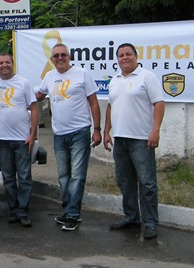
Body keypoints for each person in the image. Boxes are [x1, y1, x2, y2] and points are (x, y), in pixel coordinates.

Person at [35, 42, 102, 231]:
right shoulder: (49, 76)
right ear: (51, 59)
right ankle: (67, 211)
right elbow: (38, 96)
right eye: (56, 56)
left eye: (63, 55)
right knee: (63, 176)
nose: (60, 58)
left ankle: (73, 215)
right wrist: (17, 100)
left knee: (77, 176)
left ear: (69, 57)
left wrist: (97, 129)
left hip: (80, 132)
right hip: (59, 134)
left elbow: (94, 103)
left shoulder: (82, 74)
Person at [103, 43, 165, 240]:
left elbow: (159, 103)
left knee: (147, 182)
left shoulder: (147, 77)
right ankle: (131, 217)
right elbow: (110, 106)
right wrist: (106, 131)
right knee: (125, 181)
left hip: (141, 139)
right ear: (117, 59)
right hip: (120, 139)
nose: (124, 58)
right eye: (121, 55)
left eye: (128, 54)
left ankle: (150, 222)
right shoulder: (114, 80)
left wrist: (155, 130)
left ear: (136, 56)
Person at [0, 53, 39, 227]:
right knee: (8, 178)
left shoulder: (23, 82)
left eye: (7, 62)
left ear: (12, 64)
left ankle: (23, 211)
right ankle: (13, 210)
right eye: (1, 63)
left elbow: (34, 109)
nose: (4, 65)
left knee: (24, 177)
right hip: (2, 140)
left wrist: (32, 135)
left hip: (22, 140)